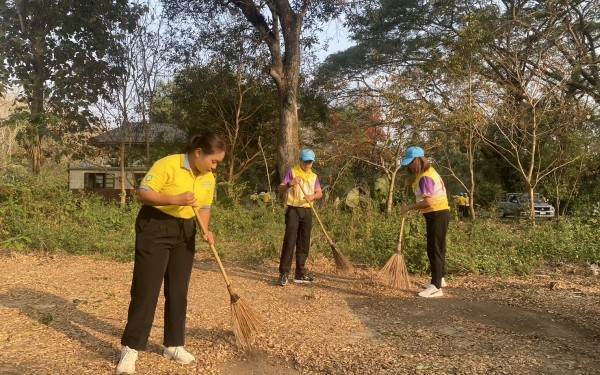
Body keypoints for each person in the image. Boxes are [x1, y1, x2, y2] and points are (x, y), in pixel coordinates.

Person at [116, 132, 226, 375]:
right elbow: (142, 194)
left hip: (185, 231)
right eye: (213, 161)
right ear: (198, 153)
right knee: (147, 288)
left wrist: (206, 231)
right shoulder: (168, 164)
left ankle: (173, 344)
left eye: (217, 162)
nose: (214, 166)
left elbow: (204, 207)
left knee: (178, 289)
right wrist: (175, 198)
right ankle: (131, 347)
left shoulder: (208, 178)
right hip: (155, 225)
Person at [400, 146, 451, 298]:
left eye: (411, 163)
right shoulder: (425, 174)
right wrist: (411, 183)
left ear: (418, 160)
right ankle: (439, 279)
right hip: (438, 213)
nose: (409, 166)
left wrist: (409, 207)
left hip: (436, 213)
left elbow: (428, 202)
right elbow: (422, 190)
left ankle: (436, 287)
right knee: (438, 248)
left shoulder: (425, 178)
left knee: (434, 249)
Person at [277, 149, 323, 286]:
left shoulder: (314, 176)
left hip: (307, 211)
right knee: (290, 241)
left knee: (304, 243)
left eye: (310, 162)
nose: (308, 164)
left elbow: (319, 193)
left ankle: (300, 274)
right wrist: (289, 184)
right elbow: (280, 189)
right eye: (306, 161)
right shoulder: (292, 172)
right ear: (300, 160)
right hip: (293, 210)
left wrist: (313, 196)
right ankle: (284, 273)